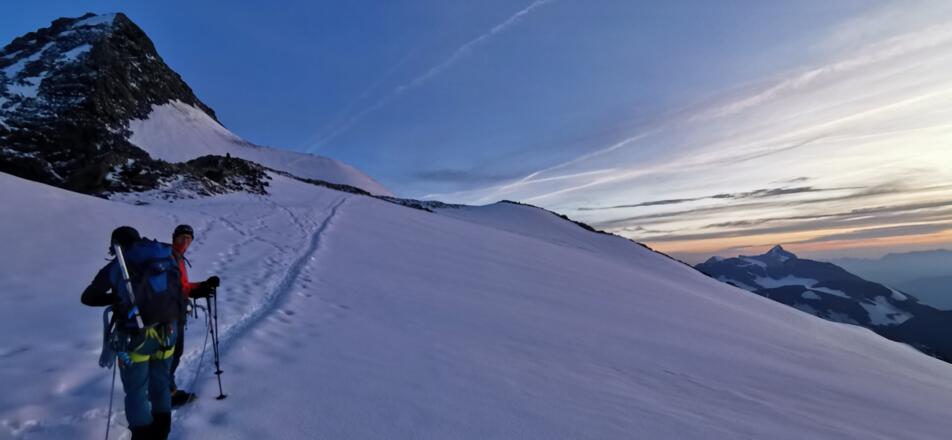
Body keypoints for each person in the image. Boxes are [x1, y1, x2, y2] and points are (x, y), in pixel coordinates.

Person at [81, 226, 183, 439]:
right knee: (161, 383)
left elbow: (88, 297)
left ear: (115, 245)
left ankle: (143, 435)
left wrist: (117, 298)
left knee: (137, 389)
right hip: (167, 332)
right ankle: (162, 431)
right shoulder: (163, 256)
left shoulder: (117, 265)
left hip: (134, 337)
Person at [168, 224, 220, 407]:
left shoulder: (178, 258)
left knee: (174, 353)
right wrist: (197, 290)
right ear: (174, 238)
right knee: (171, 354)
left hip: (176, 312)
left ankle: (167, 390)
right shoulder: (170, 257)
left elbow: (183, 285)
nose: (185, 242)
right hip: (169, 315)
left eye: (189, 239)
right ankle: (167, 394)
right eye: (182, 238)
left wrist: (202, 285)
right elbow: (175, 288)